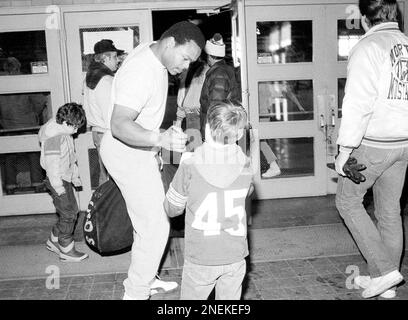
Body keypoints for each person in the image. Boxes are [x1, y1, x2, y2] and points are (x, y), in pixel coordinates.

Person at [100, 21, 205, 300]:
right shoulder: (141, 71)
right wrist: (158, 140)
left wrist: (154, 148)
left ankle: (146, 277)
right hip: (126, 151)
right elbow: (119, 125)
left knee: (146, 222)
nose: (185, 67)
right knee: (157, 225)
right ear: (170, 43)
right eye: (185, 58)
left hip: (138, 150)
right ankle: (136, 292)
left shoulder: (152, 51)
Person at [335, 0, 406, 299]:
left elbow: (357, 103)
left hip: (374, 145)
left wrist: (344, 149)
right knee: (389, 212)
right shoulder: (405, 44)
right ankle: (385, 281)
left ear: (364, 20)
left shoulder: (368, 47)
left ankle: (384, 271)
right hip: (404, 144)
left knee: (347, 202)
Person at [164, 100, 255, 300]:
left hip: (201, 256)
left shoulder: (190, 163)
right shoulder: (245, 164)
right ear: (239, 134)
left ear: (206, 127)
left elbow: (172, 209)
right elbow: (248, 192)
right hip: (235, 255)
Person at [39, 102, 88, 262]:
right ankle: (66, 249)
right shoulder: (54, 138)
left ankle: (53, 241)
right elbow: (53, 166)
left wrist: (74, 176)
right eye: (74, 127)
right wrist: (58, 187)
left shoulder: (65, 134)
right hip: (57, 181)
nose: (76, 131)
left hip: (64, 179)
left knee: (69, 211)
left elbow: (70, 159)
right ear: (65, 123)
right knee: (69, 214)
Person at [0, 57, 48, 194]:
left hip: (7, 126)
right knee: (33, 154)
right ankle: (38, 184)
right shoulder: (25, 81)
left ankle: (10, 186)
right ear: (19, 66)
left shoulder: (2, 83)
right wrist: (33, 114)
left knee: (9, 156)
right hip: (28, 124)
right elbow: (39, 101)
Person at [83, 39, 123, 186]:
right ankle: (107, 208)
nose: (117, 60)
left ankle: (101, 207)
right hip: (108, 133)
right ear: (105, 58)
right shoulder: (105, 80)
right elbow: (110, 113)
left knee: (105, 175)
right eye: (114, 57)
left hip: (98, 131)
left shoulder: (90, 76)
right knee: (113, 179)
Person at [199, 33, 241, 139]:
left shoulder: (218, 74)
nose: (207, 58)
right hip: (223, 126)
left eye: (207, 55)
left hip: (217, 130)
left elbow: (216, 105)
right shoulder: (224, 69)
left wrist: (212, 132)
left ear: (211, 56)